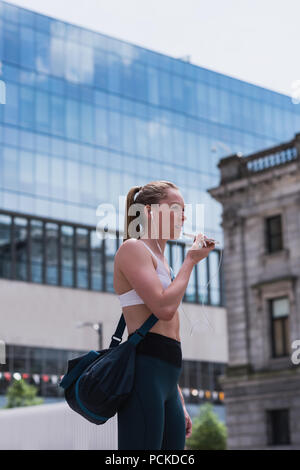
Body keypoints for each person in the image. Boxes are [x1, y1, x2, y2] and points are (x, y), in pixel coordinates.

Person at [113, 180, 215, 450]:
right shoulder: (132, 248)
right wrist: (191, 260)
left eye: (183, 209)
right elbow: (164, 309)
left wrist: (178, 399)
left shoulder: (163, 261)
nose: (182, 215)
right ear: (148, 212)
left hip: (168, 375)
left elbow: (166, 332)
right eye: (173, 207)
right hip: (145, 371)